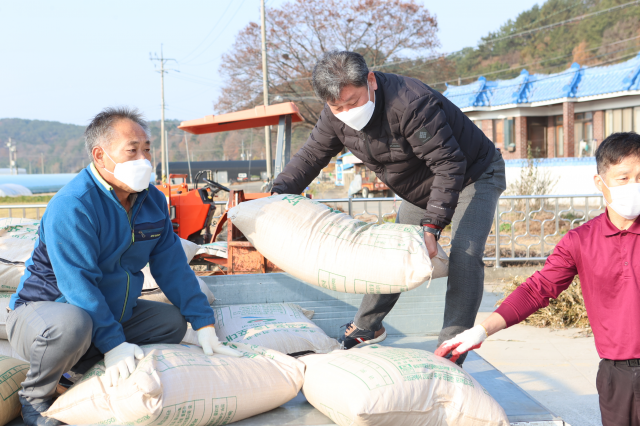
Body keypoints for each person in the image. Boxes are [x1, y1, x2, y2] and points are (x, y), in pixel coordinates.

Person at [6, 108, 241, 426]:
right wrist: (115, 344)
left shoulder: (152, 200)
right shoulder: (74, 205)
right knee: (73, 325)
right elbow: (79, 286)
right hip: (47, 315)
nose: (143, 159)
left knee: (171, 322)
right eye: (132, 150)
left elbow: (172, 266)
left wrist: (203, 325)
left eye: (147, 149)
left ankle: (81, 370)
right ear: (100, 156)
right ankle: (35, 397)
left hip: (108, 313)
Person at [271, 51, 506, 359]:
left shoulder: (411, 105)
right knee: (393, 250)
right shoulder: (335, 117)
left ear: (370, 81)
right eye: (336, 106)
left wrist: (432, 225)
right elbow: (312, 156)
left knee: (465, 253)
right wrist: (277, 196)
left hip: (474, 174)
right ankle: (367, 326)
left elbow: (449, 164)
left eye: (352, 102)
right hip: (421, 186)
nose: (345, 112)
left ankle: (451, 346)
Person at [436, 132, 640, 426]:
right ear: (601, 183)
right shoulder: (580, 240)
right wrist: (480, 331)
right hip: (616, 377)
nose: (634, 186)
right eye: (624, 178)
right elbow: (537, 290)